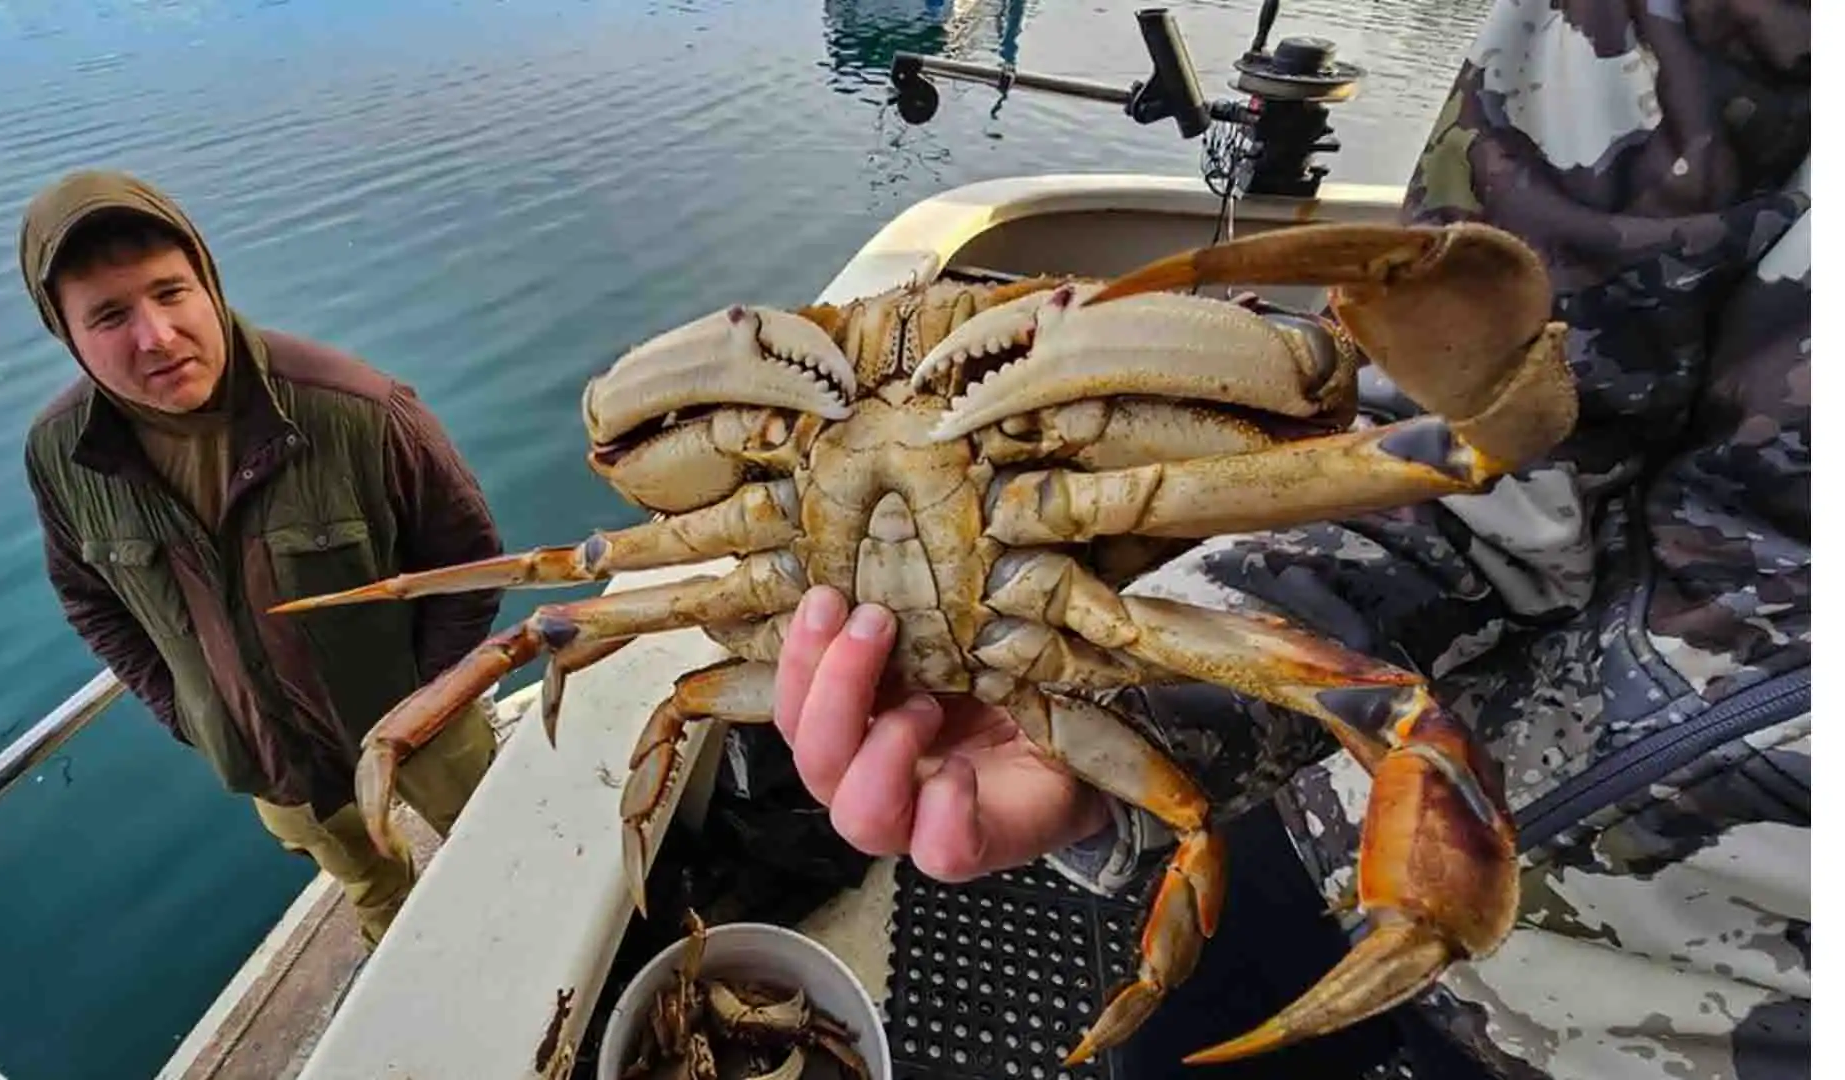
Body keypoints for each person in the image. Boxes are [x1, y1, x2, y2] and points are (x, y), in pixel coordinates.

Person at [772, 1, 1810, 1077]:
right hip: (1339, 813)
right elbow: (1474, 465)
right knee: (1200, 965)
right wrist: (1141, 702)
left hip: (1684, 1045)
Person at [18, 170, 508, 948]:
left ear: (207, 282)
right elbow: (90, 598)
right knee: (376, 896)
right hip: (274, 765)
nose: (157, 336)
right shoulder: (62, 455)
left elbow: (471, 560)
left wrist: (424, 692)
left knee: (507, 863)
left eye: (171, 292)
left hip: (429, 725)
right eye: (110, 315)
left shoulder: (358, 412)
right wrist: (187, 707)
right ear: (66, 334)